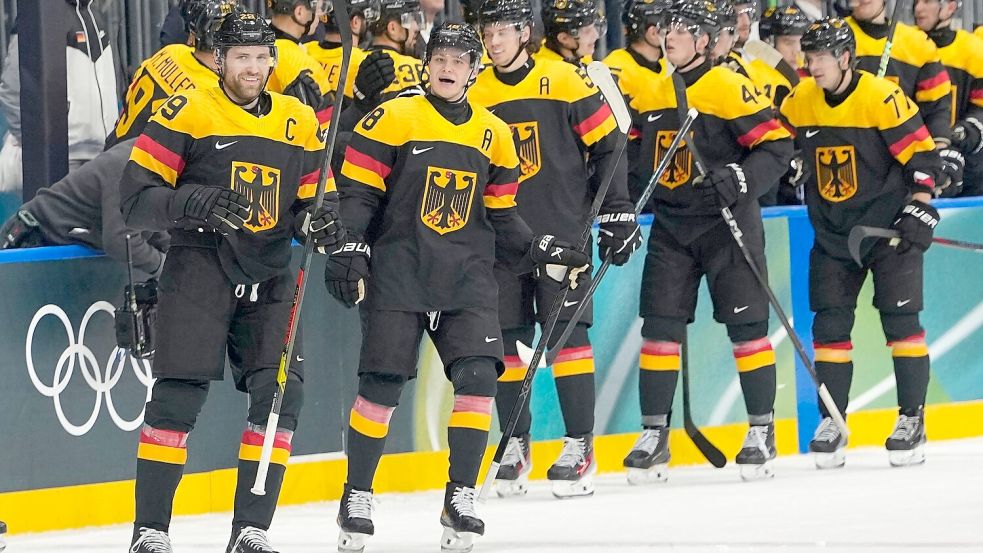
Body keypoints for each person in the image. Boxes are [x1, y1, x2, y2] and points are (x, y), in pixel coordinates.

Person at [327, 21, 590, 553]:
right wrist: (350, 246)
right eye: (439, 59)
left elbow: (503, 217)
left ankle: (461, 495)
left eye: (459, 61)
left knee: (477, 380)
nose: (448, 68)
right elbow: (357, 197)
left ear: (474, 71)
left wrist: (541, 248)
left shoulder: (493, 133)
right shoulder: (393, 117)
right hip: (399, 274)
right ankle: (357, 494)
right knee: (380, 386)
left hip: (468, 279)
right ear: (427, 65)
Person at [119, 11, 345, 553]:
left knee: (280, 396)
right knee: (176, 398)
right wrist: (188, 201)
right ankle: (150, 532)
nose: (252, 67)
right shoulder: (189, 110)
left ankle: (251, 531)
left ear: (273, 59)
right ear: (219, 59)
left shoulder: (296, 118)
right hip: (199, 267)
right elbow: (132, 199)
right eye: (240, 56)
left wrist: (320, 221)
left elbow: (319, 197)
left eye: (261, 57)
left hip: (269, 275)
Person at [470, 0, 639, 499]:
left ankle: (579, 444)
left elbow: (610, 144)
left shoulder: (564, 80)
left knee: (567, 337)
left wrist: (618, 209)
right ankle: (516, 443)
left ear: (525, 31)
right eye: (487, 30)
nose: (494, 40)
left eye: (503, 30)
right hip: (500, 237)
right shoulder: (474, 91)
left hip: (562, 233)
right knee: (505, 339)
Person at [625, 0, 793, 482]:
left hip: (726, 226)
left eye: (681, 29)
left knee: (747, 330)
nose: (668, 35)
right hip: (673, 230)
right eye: (666, 28)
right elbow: (638, 158)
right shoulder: (654, 89)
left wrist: (741, 177)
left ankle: (761, 429)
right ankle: (654, 434)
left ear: (704, 40)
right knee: (658, 329)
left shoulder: (729, 85)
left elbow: (777, 145)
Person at [780, 17, 942, 470]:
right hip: (832, 236)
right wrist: (793, 160)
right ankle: (833, 419)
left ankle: (912, 417)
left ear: (846, 58)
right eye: (807, 57)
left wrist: (921, 204)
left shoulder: (882, 97)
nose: (811, 66)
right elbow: (777, 142)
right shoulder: (801, 100)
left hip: (886, 232)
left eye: (820, 58)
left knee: (902, 324)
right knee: (830, 330)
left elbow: (924, 156)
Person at [0, 138, 167, 278]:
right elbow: (120, 240)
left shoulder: (160, 162)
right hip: (34, 241)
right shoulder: (133, 165)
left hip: (66, 246)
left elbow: (152, 225)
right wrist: (164, 267)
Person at [0, 0, 119, 191]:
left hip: (100, 156)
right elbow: (12, 91)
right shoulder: (43, 17)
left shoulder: (94, 16)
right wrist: (40, 147)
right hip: (63, 162)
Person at [845, 0, 959, 191]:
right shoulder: (834, 38)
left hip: (902, 165)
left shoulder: (918, 43)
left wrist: (939, 149)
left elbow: (936, 108)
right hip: (851, 160)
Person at [107, 0, 233, 149]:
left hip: (111, 150)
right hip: (140, 166)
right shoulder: (212, 91)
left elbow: (130, 90)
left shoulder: (171, 51)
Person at [913, 0, 983, 197]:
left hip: (968, 174)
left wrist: (964, 132)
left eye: (927, 1)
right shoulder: (906, 47)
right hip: (914, 165)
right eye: (916, 2)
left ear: (951, 6)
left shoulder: (974, 50)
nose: (918, 8)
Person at [605, 0, 671, 206]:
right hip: (631, 175)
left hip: (666, 169)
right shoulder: (615, 67)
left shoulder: (669, 65)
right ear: (653, 32)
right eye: (669, 26)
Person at [366, 0, 427, 98]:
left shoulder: (351, 60)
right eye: (410, 19)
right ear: (393, 28)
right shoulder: (420, 67)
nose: (416, 27)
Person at [535, 0, 604, 65]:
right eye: (586, 31)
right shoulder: (551, 72)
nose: (595, 34)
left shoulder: (582, 53)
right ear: (564, 38)